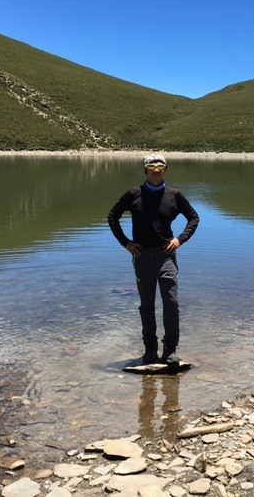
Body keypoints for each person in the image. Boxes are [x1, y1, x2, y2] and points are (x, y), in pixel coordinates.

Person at [108, 153, 200, 365]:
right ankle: (150, 351)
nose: (156, 170)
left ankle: (170, 351)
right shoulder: (134, 194)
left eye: (160, 166)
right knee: (146, 305)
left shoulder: (174, 195)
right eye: (151, 166)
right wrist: (126, 243)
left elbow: (194, 217)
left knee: (171, 303)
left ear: (165, 170)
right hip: (141, 256)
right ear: (146, 171)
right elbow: (112, 216)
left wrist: (180, 239)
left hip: (166, 255)